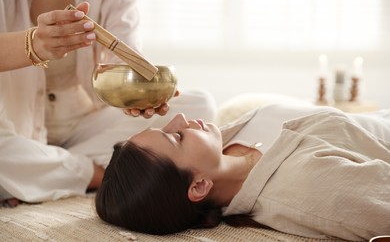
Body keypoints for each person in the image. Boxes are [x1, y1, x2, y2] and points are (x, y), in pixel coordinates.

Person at [0, 0, 216, 207]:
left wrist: (136, 92)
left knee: (199, 104)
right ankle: (96, 174)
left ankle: (37, 171)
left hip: (86, 124)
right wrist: (33, 44)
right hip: (12, 126)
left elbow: (124, 56)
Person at [95, 103, 390, 241]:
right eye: (177, 137)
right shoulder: (309, 188)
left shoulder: (226, 138)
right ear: (199, 187)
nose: (180, 118)